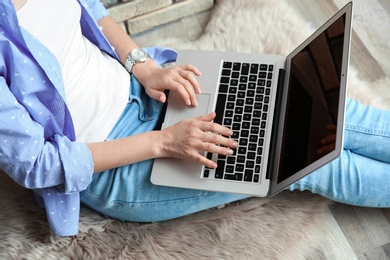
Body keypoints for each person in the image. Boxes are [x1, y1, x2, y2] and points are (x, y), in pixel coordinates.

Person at [1, 0, 390, 237]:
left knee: (307, 100)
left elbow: (93, 12)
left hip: (147, 90)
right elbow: (38, 165)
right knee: (302, 157)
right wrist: (165, 142)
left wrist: (144, 67)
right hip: (114, 162)